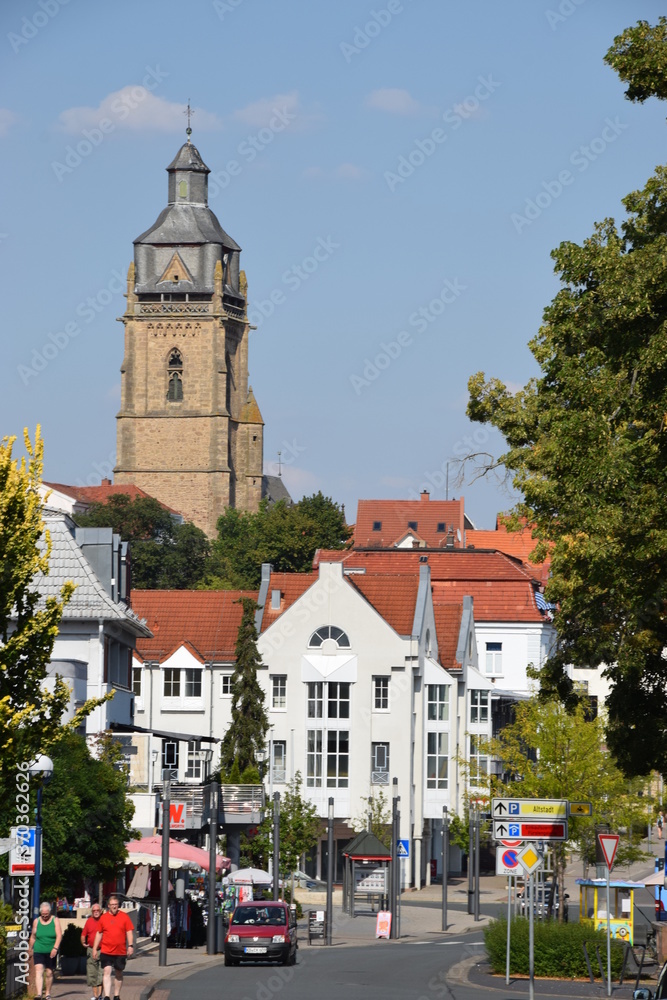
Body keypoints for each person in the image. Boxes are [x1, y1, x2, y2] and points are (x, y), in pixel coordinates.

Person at [92, 895, 134, 1000]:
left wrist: (130, 945)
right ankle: (106, 996)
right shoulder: (104, 918)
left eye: (116, 904)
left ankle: (116, 995)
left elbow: (129, 931)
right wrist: (94, 948)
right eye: (112, 905)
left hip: (120, 951)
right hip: (106, 950)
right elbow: (99, 933)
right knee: (106, 971)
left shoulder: (124, 917)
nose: (115, 907)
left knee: (119, 972)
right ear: (108, 906)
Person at [29, 901, 62, 1000]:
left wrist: (55, 948)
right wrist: (30, 948)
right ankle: (39, 994)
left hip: (51, 950)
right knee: (39, 970)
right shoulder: (36, 921)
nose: (44, 917)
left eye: (46, 915)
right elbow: (33, 937)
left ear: (50, 912)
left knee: (49, 972)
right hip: (39, 950)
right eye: (43, 915)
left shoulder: (55, 920)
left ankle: (47, 993)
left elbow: (59, 935)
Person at [81, 903, 104, 1000]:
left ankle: (100, 995)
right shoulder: (89, 921)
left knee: (102, 973)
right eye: (94, 911)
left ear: (101, 911)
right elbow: (83, 934)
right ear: (92, 912)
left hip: (103, 950)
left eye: (97, 910)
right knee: (92, 973)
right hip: (91, 950)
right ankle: (95, 996)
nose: (96, 912)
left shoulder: (104, 920)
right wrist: (83, 942)